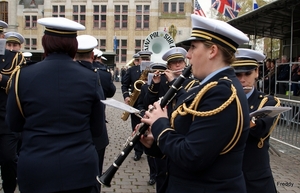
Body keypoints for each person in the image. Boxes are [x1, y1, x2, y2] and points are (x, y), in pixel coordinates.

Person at [140, 14, 250, 192]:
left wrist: (160, 123)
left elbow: (192, 156)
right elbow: (188, 141)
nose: (188, 55)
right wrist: (155, 142)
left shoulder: (222, 92)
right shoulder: (207, 87)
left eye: (192, 47)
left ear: (212, 51)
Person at [5, 17, 103, 193]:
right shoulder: (90, 77)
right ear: (74, 45)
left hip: (36, 169)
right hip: (80, 170)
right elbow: (97, 129)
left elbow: (14, 123)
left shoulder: (22, 76)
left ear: (45, 43)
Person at [231, 48, 280, 193]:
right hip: (228, 175)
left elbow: (260, 130)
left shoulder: (268, 102)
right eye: (237, 74)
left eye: (247, 73)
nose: (242, 79)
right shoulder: (223, 100)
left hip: (255, 177)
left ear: (257, 72)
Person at [74, 34, 108, 193]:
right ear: (93, 56)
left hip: (73, 137)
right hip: (96, 137)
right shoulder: (97, 74)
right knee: (95, 177)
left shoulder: (71, 73)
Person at [0, 20, 22, 193]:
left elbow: (17, 85)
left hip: (5, 116)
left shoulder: (15, 59)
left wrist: (2, 80)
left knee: (8, 158)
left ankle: (9, 188)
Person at [121, 51, 149, 161]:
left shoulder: (155, 70)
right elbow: (124, 85)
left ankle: (149, 148)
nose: (146, 61)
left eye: (148, 59)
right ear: (139, 60)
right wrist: (126, 96)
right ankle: (138, 151)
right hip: (135, 103)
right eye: (144, 59)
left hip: (149, 103)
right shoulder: (132, 70)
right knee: (136, 127)